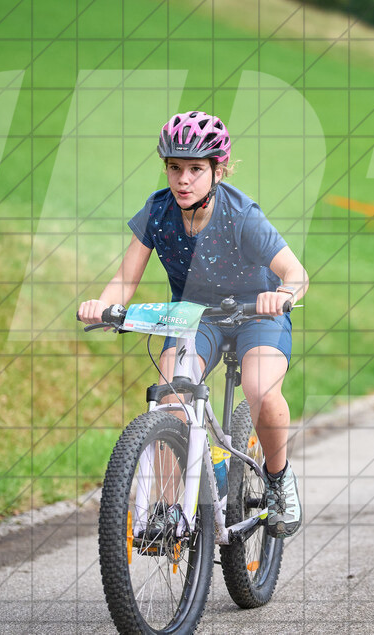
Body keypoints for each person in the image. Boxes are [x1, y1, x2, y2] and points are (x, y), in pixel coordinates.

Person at [78, 111, 308, 539]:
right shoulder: (157, 211)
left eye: (196, 169)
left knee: (259, 388)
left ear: (218, 170)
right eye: (175, 168)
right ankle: (170, 508)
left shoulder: (242, 215)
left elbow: (296, 273)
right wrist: (104, 306)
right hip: (196, 317)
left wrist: (284, 294)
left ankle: (278, 481)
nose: (184, 179)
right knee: (171, 398)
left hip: (256, 313)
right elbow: (125, 279)